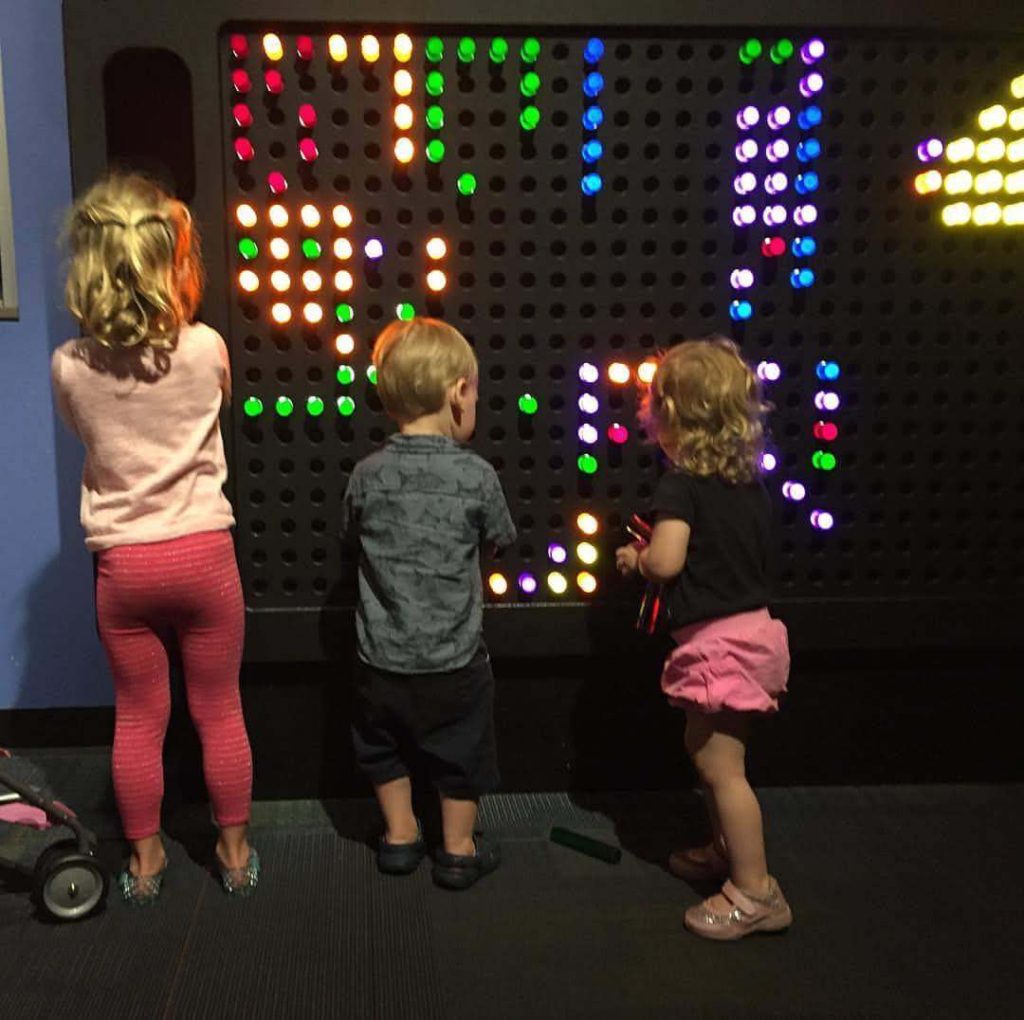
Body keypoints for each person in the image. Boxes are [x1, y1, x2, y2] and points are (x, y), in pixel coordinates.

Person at [51, 174, 256, 904]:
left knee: (139, 716)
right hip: (205, 554)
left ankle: (145, 866)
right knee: (219, 708)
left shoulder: (71, 366)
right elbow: (217, 410)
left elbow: (87, 434)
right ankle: (234, 856)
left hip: (124, 564)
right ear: (175, 261)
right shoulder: (204, 348)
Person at [616, 337, 792, 940]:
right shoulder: (750, 486)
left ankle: (755, 891)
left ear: (667, 414)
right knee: (707, 751)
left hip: (719, 646)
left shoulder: (681, 487)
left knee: (723, 770)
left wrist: (636, 559)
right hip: (756, 635)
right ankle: (725, 851)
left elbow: (667, 562)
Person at [341, 317, 516, 890]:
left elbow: (351, 541)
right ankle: (459, 849)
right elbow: (498, 542)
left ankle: (398, 838)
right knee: (462, 755)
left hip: (378, 661)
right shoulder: (479, 476)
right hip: (456, 663)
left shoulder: (365, 476)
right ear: (458, 392)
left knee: (380, 748)